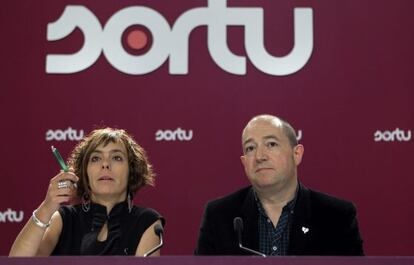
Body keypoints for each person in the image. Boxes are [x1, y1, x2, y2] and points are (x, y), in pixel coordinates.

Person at [194, 114, 364, 256]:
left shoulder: (336, 216)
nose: (260, 156)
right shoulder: (219, 215)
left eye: (271, 144)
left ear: (296, 154)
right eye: (251, 148)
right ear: (244, 162)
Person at [9, 128, 164, 256]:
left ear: (132, 171)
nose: (105, 164)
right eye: (95, 158)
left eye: (116, 157)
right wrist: (47, 207)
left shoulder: (147, 222)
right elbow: (18, 261)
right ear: (84, 172)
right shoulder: (64, 219)